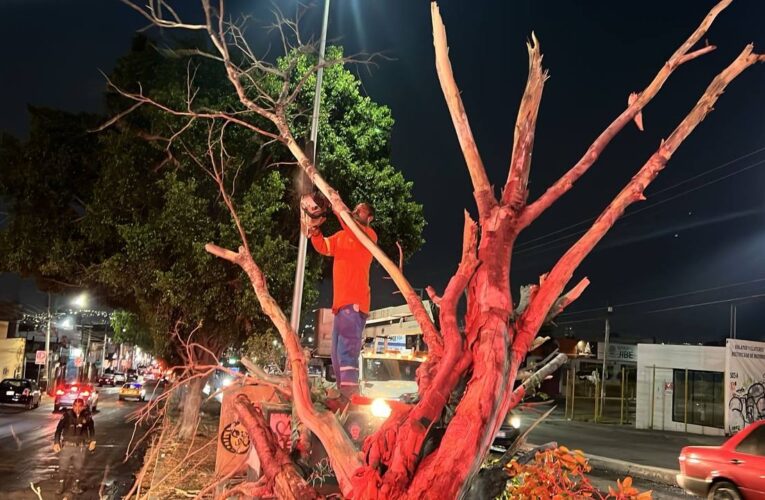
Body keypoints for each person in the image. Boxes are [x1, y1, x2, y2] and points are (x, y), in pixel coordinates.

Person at [308, 202, 377, 399]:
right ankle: (343, 394)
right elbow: (323, 246)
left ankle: (350, 394)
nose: (355, 211)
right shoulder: (343, 236)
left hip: (354, 303)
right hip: (340, 307)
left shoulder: (369, 237)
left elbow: (353, 227)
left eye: (360, 210)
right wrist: (315, 230)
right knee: (336, 356)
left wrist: (339, 207)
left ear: (369, 217)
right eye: (355, 208)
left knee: (347, 350)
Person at [53, 398, 96, 494]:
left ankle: (75, 486)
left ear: (83, 406)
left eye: (80, 406)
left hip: (80, 446)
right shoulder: (67, 416)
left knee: (78, 467)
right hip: (67, 446)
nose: (77, 408)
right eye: (75, 406)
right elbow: (58, 430)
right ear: (72, 406)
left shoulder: (87, 416)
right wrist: (56, 442)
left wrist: (93, 441)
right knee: (63, 467)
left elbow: (91, 429)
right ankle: (61, 485)